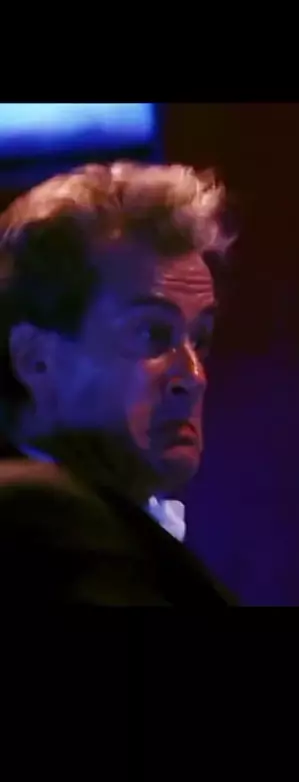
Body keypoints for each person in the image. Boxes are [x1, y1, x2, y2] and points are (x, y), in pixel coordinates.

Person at [0, 161, 235, 605]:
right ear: (36, 360)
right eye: (151, 334)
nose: (193, 377)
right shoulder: (40, 523)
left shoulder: (107, 529)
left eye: (200, 339)